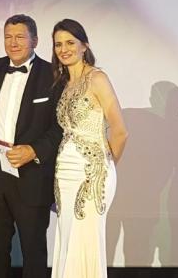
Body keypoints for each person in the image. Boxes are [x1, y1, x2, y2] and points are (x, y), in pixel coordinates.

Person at [0, 14, 62, 278]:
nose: (13, 43)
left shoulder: (53, 74)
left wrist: (34, 151)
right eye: (8, 37)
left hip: (32, 175)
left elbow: (60, 126)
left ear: (35, 41)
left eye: (20, 37)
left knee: (33, 251)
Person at [49, 19, 127, 278]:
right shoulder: (63, 83)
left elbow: (120, 131)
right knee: (68, 238)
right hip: (64, 175)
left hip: (92, 175)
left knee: (86, 242)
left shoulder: (97, 78)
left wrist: (103, 167)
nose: (64, 49)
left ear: (85, 46)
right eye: (59, 44)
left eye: (70, 42)